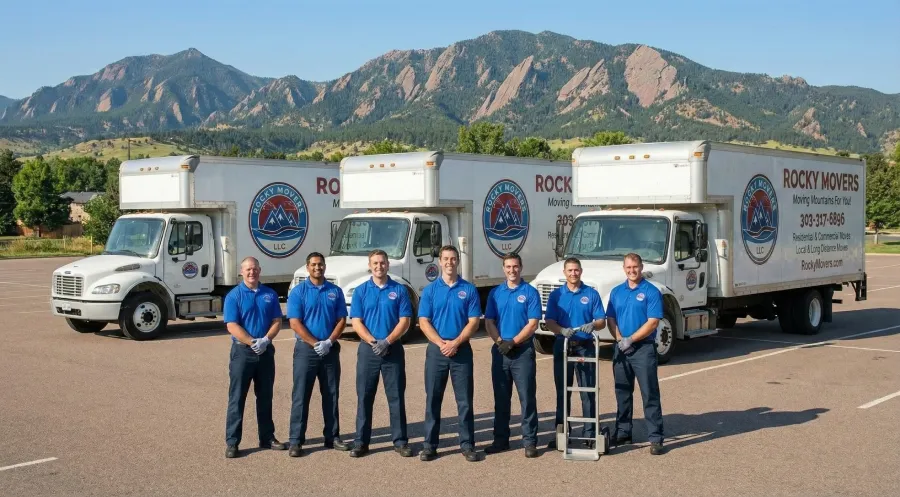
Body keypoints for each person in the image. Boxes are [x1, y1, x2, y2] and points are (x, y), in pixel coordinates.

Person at [418, 245, 482, 462]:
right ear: (439, 261)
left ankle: (467, 444)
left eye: (453, 259)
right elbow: (424, 321)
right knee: (433, 400)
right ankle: (429, 445)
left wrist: (455, 342)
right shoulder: (430, 290)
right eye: (445, 259)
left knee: (464, 401)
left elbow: (474, 322)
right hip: (436, 352)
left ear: (457, 261)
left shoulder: (469, 289)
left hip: (461, 351)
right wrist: (441, 343)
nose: (449, 262)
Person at [348, 249, 414, 458]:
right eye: (375, 263)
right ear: (370, 265)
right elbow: (356, 321)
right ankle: (361, 442)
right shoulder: (360, 291)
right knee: (365, 397)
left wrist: (387, 341)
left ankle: (400, 441)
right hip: (368, 351)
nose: (379, 266)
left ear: (388, 265)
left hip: (392, 350)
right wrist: (373, 341)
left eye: (382, 263)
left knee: (395, 397)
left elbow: (405, 320)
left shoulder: (400, 290)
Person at [286, 252, 350, 457]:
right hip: (307, 350)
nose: (317, 268)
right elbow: (294, 322)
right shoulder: (298, 292)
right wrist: (315, 343)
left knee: (331, 394)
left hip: (330, 349)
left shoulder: (335, 291)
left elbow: (341, 319)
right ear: (307, 267)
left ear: (325, 266)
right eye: (313, 264)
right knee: (301, 395)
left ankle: (332, 437)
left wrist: (329, 341)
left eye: (321, 264)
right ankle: (296, 440)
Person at [223, 256, 287, 458]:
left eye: (255, 269)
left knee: (265, 396)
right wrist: (252, 342)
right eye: (248, 269)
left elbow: (277, 320)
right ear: (241, 272)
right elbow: (232, 325)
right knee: (237, 398)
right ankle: (233, 442)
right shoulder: (234, 296)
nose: (252, 272)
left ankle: (267, 437)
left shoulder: (270, 294)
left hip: (265, 352)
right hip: (243, 353)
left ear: (260, 270)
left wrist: (266, 340)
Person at [544, 257, 606, 450]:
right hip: (563, 345)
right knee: (563, 391)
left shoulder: (591, 294)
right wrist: (561, 331)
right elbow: (549, 321)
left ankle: (589, 434)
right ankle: (562, 432)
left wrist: (593, 324)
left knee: (588, 391)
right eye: (569, 271)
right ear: (564, 273)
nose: (573, 274)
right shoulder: (556, 296)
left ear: (581, 271)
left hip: (585, 345)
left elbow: (601, 320)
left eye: (576, 270)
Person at [606, 253, 665, 455]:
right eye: (628, 267)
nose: (632, 271)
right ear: (624, 268)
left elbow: (653, 322)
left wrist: (631, 339)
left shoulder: (651, 291)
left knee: (649, 393)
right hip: (621, 348)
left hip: (643, 349)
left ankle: (656, 437)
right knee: (622, 393)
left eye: (635, 267)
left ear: (641, 267)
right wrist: (620, 340)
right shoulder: (616, 292)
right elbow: (610, 319)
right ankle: (623, 432)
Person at [483, 253, 541, 458]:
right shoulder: (495, 293)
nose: (512, 270)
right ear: (503, 269)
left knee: (526, 398)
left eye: (515, 266)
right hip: (500, 352)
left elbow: (533, 323)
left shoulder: (530, 292)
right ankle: (500, 440)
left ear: (521, 267)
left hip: (522, 351)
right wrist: (499, 342)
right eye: (508, 267)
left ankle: (530, 441)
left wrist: (513, 342)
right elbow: (489, 321)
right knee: (501, 398)